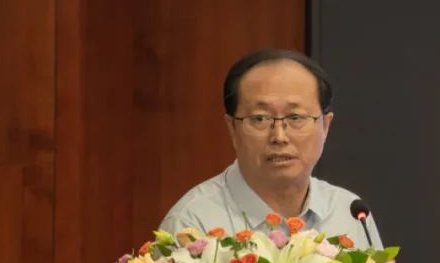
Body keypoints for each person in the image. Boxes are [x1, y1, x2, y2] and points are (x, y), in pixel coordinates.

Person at [159, 49, 382, 249]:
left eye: (295, 117)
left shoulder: (351, 215)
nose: (279, 137)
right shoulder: (192, 224)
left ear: (325, 126)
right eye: (260, 118)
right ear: (232, 128)